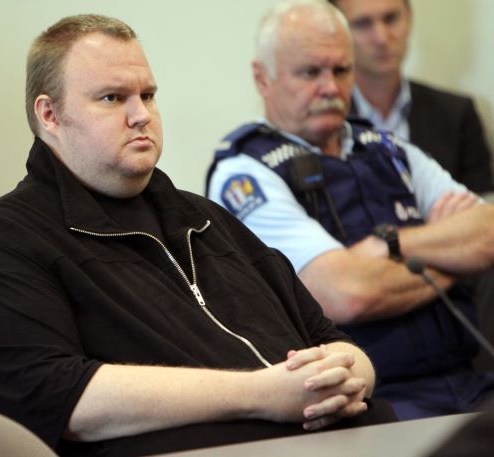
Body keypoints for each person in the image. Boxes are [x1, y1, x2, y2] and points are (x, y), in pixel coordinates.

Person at [0, 13, 396, 457]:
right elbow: (59, 396)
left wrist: (347, 374)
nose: (141, 115)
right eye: (112, 98)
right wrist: (263, 394)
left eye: (147, 95)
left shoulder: (207, 221)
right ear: (49, 115)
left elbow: (328, 338)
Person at [206, 0, 494, 421]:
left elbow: (487, 233)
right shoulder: (246, 172)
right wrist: (455, 257)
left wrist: (389, 246)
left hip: (468, 379)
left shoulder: (387, 148)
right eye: (310, 72)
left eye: (341, 70)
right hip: (365, 400)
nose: (330, 87)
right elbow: (346, 294)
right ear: (262, 77)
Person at [328, 0, 493, 193]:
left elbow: (482, 204)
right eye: (363, 24)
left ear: (409, 18)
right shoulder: (323, 118)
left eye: (391, 19)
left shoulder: (457, 115)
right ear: (336, 32)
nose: (382, 38)